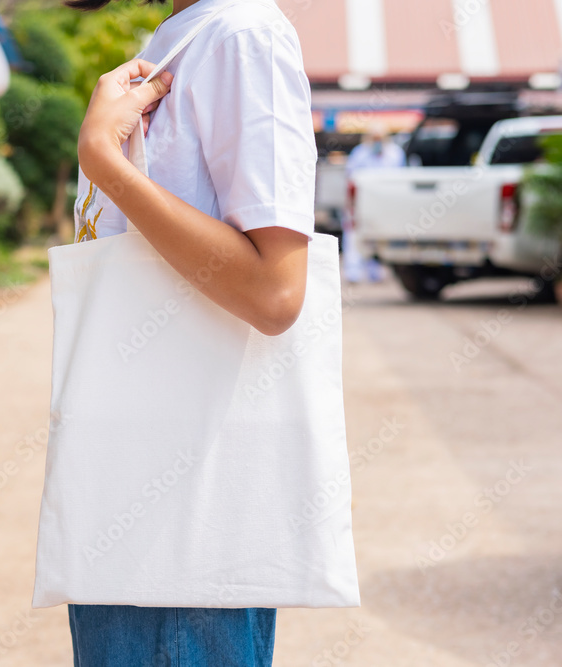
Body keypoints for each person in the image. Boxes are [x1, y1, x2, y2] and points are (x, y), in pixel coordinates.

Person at [66, 0, 318, 664]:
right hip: (127, 490)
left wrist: (105, 161)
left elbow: (276, 290)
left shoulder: (242, 34)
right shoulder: (182, 39)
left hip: (182, 512)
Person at [343, 123, 407, 283]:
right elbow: (350, 180)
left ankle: (375, 273)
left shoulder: (395, 154)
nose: (377, 142)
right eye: (374, 138)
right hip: (362, 204)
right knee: (355, 238)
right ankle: (353, 274)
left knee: (378, 237)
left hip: (385, 206)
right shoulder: (360, 154)